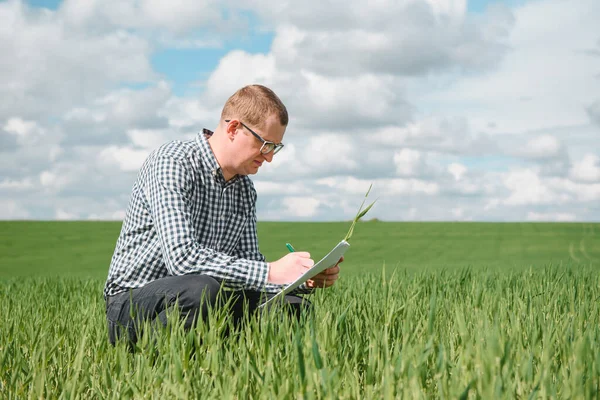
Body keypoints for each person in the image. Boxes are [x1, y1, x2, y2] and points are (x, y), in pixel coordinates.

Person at [104, 84, 343, 345]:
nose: (270, 157)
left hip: (202, 300)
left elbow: (248, 269)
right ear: (233, 129)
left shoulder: (244, 190)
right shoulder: (173, 162)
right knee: (201, 289)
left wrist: (301, 280)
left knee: (291, 306)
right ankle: (158, 371)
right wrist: (271, 271)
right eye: (265, 144)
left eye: (275, 147)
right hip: (133, 304)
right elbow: (182, 260)